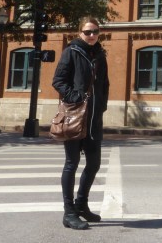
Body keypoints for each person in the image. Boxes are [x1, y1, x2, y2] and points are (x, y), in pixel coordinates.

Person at [53, 16, 109, 231]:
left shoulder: (100, 55)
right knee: (72, 163)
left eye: (95, 31)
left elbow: (104, 83)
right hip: (75, 116)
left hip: (94, 118)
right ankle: (69, 213)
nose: (92, 35)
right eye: (87, 32)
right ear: (80, 33)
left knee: (94, 164)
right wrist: (75, 97)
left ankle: (81, 205)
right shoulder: (72, 52)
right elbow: (58, 80)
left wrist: (101, 105)